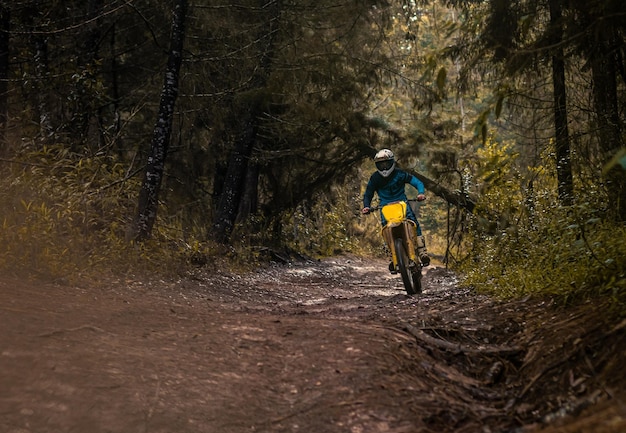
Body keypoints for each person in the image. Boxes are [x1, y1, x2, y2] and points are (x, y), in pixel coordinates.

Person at [361, 148, 430, 268]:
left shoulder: (400, 173)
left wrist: (420, 193)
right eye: (380, 164)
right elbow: (368, 194)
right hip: (385, 208)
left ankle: (422, 252)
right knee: (385, 230)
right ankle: (392, 256)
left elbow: (417, 182)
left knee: (413, 224)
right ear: (377, 165)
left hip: (402, 205)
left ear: (392, 162)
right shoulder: (375, 178)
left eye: (386, 163)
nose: (384, 167)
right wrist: (366, 206)